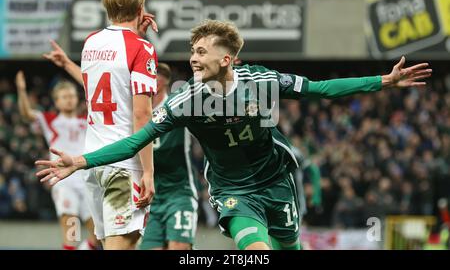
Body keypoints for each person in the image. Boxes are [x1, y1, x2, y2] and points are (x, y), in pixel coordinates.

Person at [35, 19, 432, 250]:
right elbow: (136, 140)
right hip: (232, 191)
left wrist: (383, 81)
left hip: (277, 182)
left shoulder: (262, 82)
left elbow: (319, 89)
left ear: (226, 59)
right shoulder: (183, 101)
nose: (193, 56)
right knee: (256, 253)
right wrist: (81, 160)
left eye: (202, 51)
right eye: (192, 49)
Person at [42, 0, 159, 250]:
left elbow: (102, 90)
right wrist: (149, 172)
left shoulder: (91, 41)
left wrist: (68, 65)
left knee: (109, 244)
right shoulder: (142, 49)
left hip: (93, 163)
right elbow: (142, 115)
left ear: (106, 7)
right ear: (141, 7)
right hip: (123, 164)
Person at [15, 72, 100, 250]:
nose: (69, 100)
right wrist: (22, 91)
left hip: (87, 179)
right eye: (64, 97)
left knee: (98, 235)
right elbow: (26, 114)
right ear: (56, 101)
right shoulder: (49, 119)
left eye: (71, 96)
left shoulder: (88, 120)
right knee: (72, 228)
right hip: (64, 180)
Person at [139, 63, 200, 250]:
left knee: (178, 247)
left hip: (179, 192)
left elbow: (200, 91)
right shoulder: (136, 113)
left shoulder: (176, 107)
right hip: (150, 197)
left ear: (161, 84)